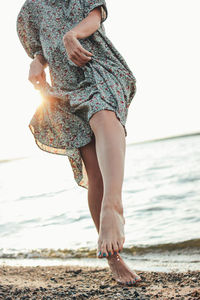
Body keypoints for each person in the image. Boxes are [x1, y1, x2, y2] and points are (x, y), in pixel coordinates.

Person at [16, 0, 142, 286]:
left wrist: (71, 35)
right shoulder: (29, 12)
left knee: (103, 113)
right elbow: (41, 50)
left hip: (100, 71)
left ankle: (114, 205)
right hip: (66, 90)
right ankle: (115, 260)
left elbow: (95, 18)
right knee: (94, 175)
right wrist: (36, 61)